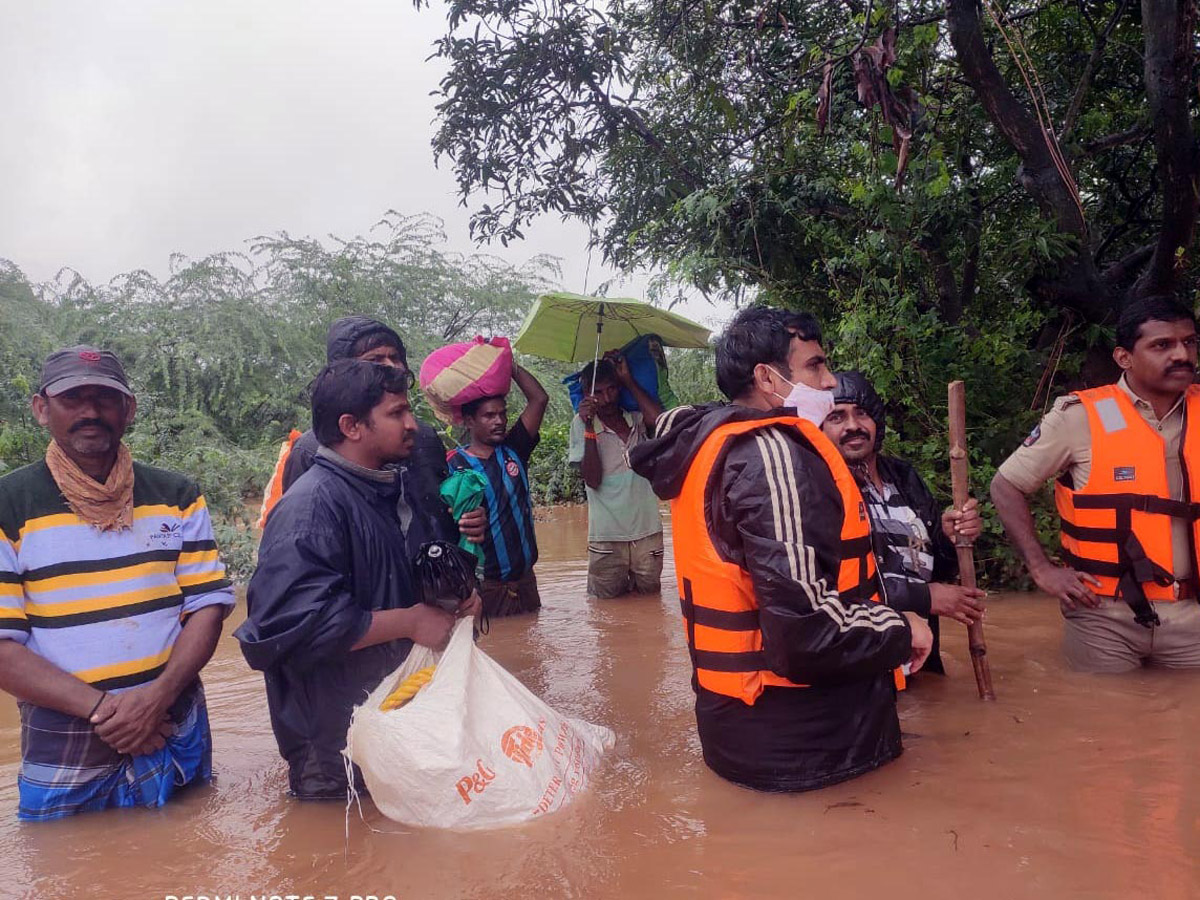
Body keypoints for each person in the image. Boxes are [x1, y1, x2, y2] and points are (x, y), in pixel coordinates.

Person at [630, 307, 931, 792]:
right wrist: (902, 627)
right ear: (768, 378)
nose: (830, 382)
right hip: (806, 745)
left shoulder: (713, 445)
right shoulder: (769, 456)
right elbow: (805, 634)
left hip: (753, 735)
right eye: (815, 366)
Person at [0, 346, 234, 820]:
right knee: (63, 877)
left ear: (128, 409)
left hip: (173, 721)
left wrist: (157, 699)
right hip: (67, 732)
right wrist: (107, 712)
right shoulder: (9, 504)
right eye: (73, 399)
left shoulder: (177, 496)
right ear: (42, 408)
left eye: (104, 399)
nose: (90, 412)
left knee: (193, 860)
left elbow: (206, 609)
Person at [236, 360, 481, 800]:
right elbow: (283, 631)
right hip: (337, 746)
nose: (412, 425)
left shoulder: (392, 488)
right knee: (344, 860)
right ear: (351, 426)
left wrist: (460, 597)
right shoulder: (310, 510)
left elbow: (407, 574)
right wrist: (408, 622)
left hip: (394, 718)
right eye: (396, 413)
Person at [991, 296, 1200, 673]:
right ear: (1124, 358)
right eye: (1162, 345)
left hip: (1194, 613)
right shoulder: (1079, 417)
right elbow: (1006, 485)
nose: (1181, 354)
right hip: (1102, 615)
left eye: (1189, 342)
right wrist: (1041, 569)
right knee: (1103, 720)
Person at [270, 315, 484, 555]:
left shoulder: (421, 436)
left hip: (436, 585)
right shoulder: (311, 451)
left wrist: (468, 518)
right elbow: (302, 548)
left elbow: (440, 513)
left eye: (395, 357)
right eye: (375, 360)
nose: (392, 367)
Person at [821, 371, 985, 675]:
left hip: (921, 659)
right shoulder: (821, 489)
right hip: (866, 667)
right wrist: (925, 596)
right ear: (820, 427)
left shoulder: (904, 477)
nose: (853, 426)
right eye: (837, 417)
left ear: (877, 422)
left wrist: (951, 537)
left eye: (861, 413)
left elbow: (937, 569)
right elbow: (836, 588)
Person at [446, 365, 549, 617]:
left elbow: (539, 399)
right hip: (486, 588)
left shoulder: (515, 449)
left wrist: (509, 365)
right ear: (469, 421)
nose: (500, 421)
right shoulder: (453, 465)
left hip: (526, 582)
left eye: (503, 414)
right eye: (489, 416)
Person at [568, 357, 665, 598]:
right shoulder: (580, 425)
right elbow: (592, 479)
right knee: (607, 615)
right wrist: (590, 428)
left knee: (651, 606)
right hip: (606, 540)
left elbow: (663, 422)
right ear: (586, 393)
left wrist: (629, 381)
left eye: (612, 388)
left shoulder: (638, 420)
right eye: (598, 392)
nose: (608, 398)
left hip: (648, 535)